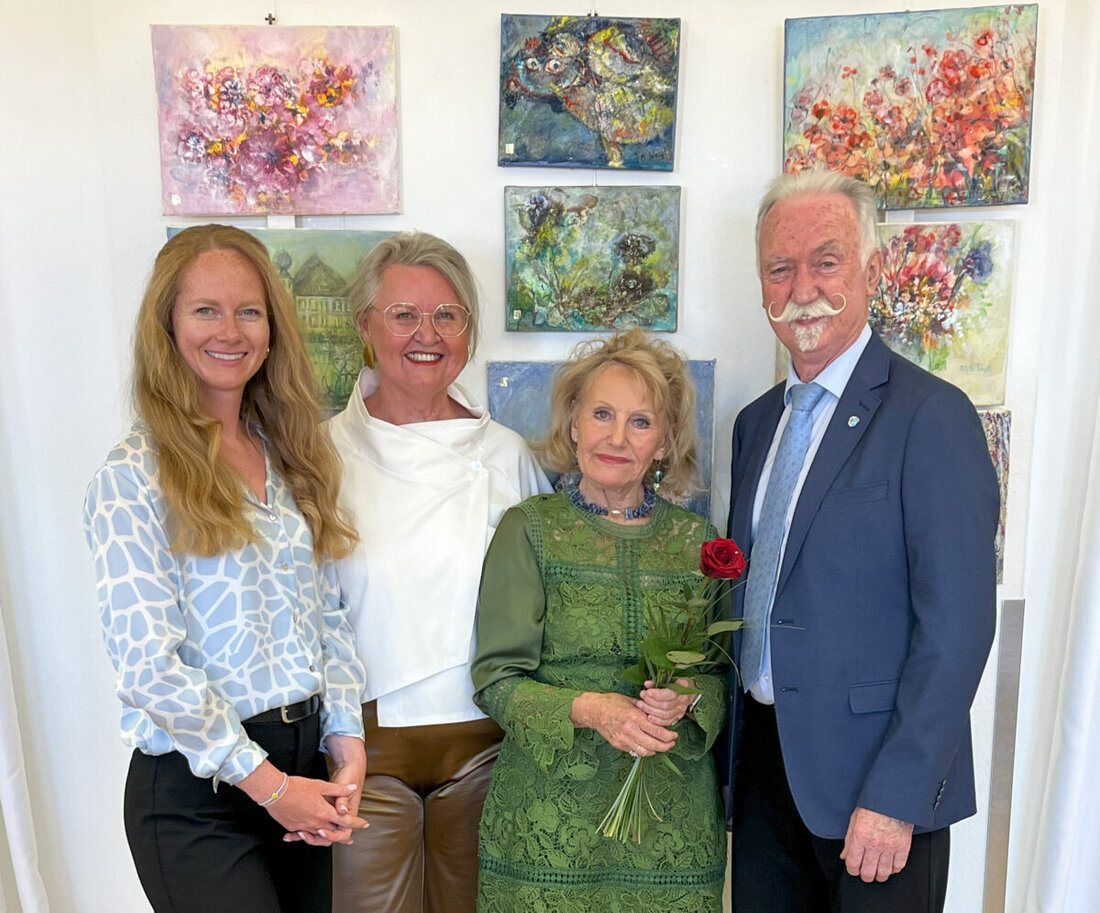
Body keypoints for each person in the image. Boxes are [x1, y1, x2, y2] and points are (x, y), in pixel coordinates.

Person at [724, 170, 999, 913]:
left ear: (872, 270)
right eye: (780, 267)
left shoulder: (930, 417)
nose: (801, 286)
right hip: (764, 781)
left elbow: (959, 628)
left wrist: (898, 795)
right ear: (761, 285)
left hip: (876, 794)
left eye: (826, 260)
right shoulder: (756, 425)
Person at [83, 224, 368, 913]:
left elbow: (325, 615)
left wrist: (346, 740)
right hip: (198, 797)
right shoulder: (133, 475)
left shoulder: (291, 455)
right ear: (168, 325)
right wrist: (271, 786)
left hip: (304, 770)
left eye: (249, 310)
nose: (230, 330)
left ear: (272, 328)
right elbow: (149, 666)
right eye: (205, 309)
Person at [328, 232, 550, 913]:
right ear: (366, 324)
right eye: (403, 315)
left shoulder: (507, 455)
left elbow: (548, 604)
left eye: (446, 315)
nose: (426, 334)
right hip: (364, 751)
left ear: (469, 330)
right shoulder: (320, 451)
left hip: (486, 747)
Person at [472, 329, 728, 913]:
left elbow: (721, 679)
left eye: (641, 422)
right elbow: (496, 681)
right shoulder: (529, 529)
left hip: (672, 825)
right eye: (602, 414)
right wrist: (591, 709)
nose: (617, 437)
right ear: (572, 425)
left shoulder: (699, 542)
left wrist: (688, 697)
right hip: (549, 826)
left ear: (664, 443)